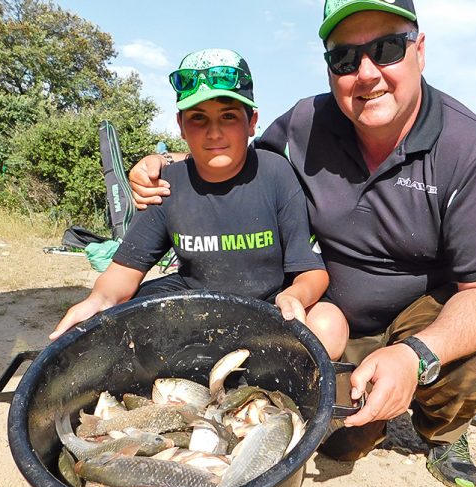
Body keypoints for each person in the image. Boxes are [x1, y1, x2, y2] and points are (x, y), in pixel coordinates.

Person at [128, 0, 476, 487]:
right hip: (331, 309)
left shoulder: (473, 150)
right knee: (339, 440)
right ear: (330, 68)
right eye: (345, 59)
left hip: (422, 311)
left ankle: (445, 433)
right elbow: (232, 155)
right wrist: (168, 161)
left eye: (388, 48)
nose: (367, 73)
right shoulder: (304, 123)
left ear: (420, 50)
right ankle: (366, 411)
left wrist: (415, 355)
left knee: (474, 353)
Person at [51, 48, 348, 362]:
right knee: (119, 321)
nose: (214, 131)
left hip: (269, 308)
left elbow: (312, 273)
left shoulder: (277, 174)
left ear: (252, 122)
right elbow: (123, 273)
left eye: (229, 116)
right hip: (194, 311)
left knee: (330, 325)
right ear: (180, 125)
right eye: (198, 118)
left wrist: (295, 296)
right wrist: (99, 299)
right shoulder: (166, 184)